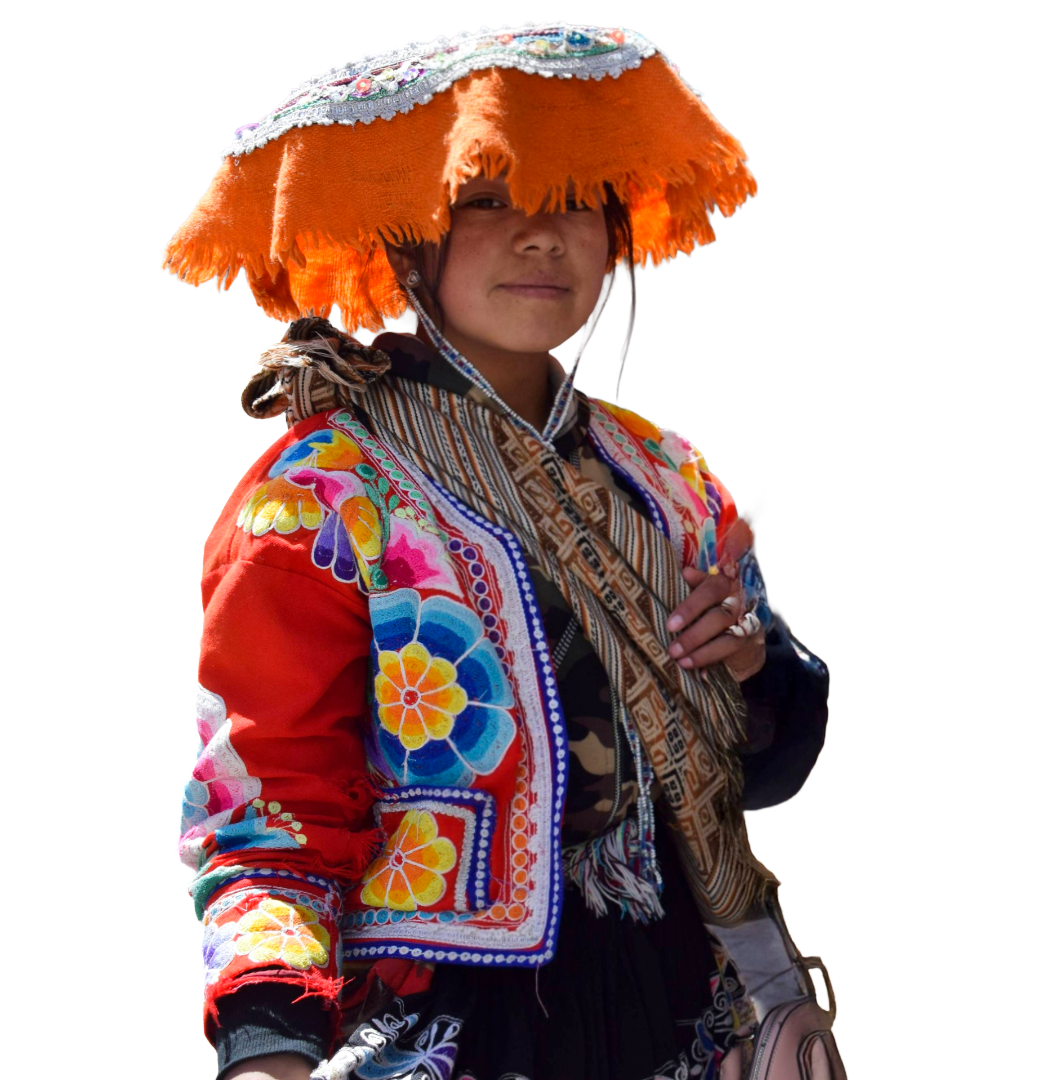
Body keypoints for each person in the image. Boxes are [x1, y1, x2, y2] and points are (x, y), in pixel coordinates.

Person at [170, 24, 834, 1080]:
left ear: (614, 232)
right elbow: (267, 811)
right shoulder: (321, 502)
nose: (541, 234)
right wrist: (268, 1053)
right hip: (457, 1032)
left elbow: (771, 766)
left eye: (573, 195)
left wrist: (754, 667)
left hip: (699, 1015)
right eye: (484, 202)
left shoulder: (666, 477)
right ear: (404, 241)